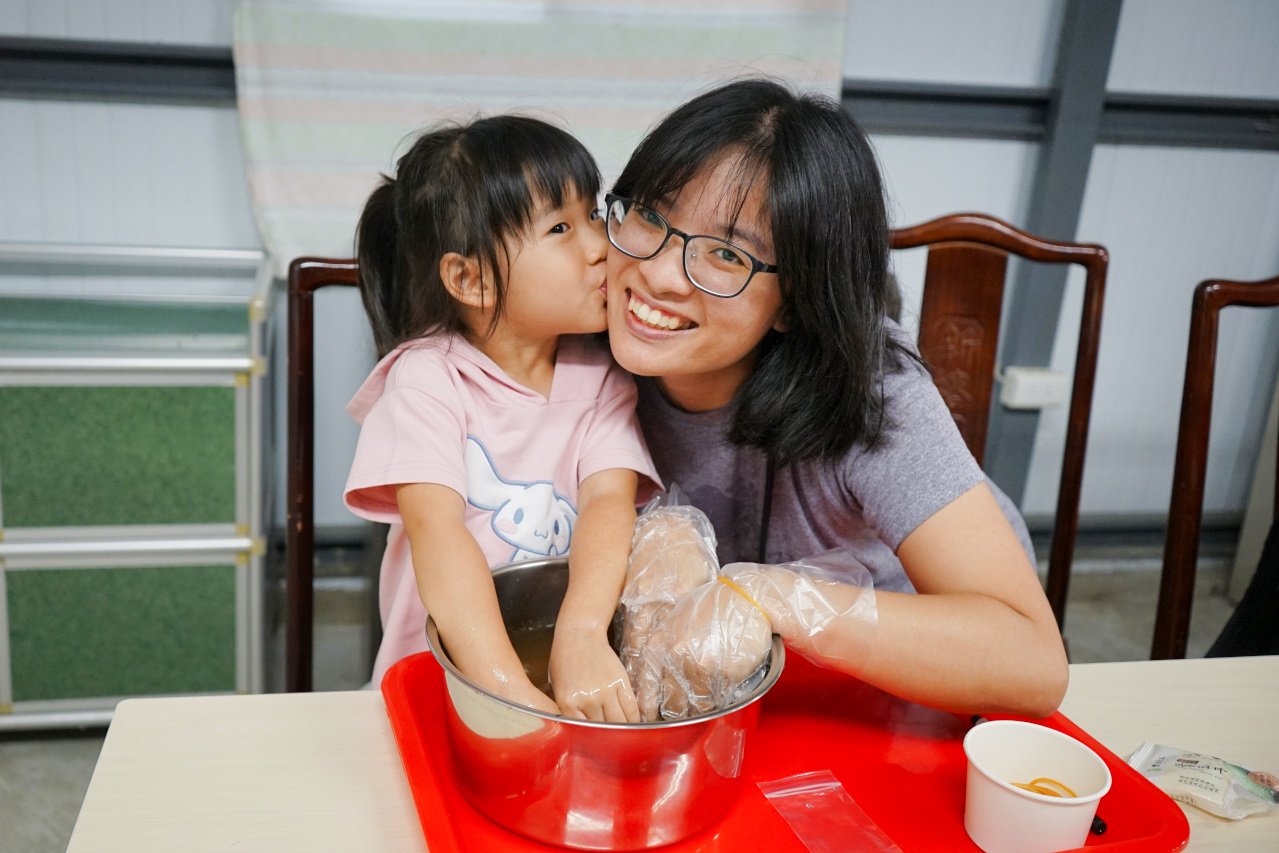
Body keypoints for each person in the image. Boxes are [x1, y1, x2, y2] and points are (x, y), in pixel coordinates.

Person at [603, 79, 1069, 718]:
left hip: (888, 686)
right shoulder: (578, 335)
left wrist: (778, 597)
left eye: (724, 254)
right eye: (650, 216)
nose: (654, 274)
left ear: (794, 300)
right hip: (739, 695)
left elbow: (1033, 663)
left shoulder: (870, 389)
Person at [343, 116, 658, 722]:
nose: (601, 246)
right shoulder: (428, 380)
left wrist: (583, 637)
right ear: (472, 278)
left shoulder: (602, 375)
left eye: (594, 215)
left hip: (560, 663)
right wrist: (506, 694)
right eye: (561, 227)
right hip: (442, 683)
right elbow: (439, 535)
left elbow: (607, 505)